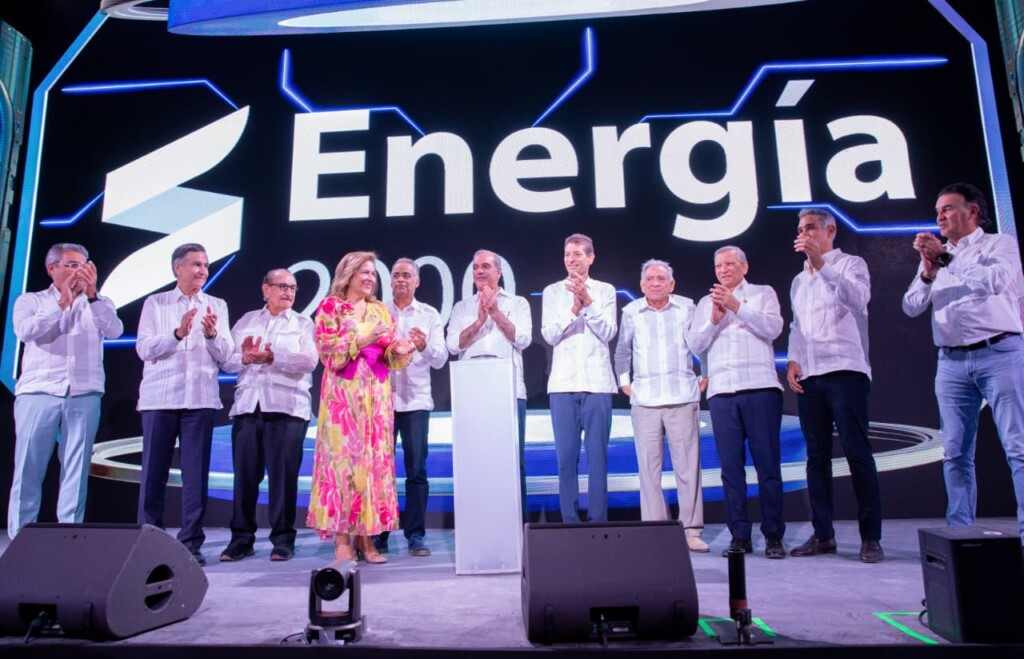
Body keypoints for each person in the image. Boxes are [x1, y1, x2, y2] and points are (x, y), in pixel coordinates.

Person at [902, 182, 1024, 545]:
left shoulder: (998, 245)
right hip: (952, 363)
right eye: (938, 210)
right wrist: (927, 271)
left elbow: (996, 281)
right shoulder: (940, 256)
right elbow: (910, 305)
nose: (940, 215)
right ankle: (961, 539)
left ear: (972, 212)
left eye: (949, 208)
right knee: (954, 453)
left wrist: (946, 259)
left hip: (1000, 353)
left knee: (1018, 447)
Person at [786, 209, 883, 563]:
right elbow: (797, 325)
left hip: (846, 370)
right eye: (800, 229)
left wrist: (821, 265)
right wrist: (794, 359)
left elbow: (858, 300)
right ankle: (823, 535)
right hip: (811, 376)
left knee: (857, 452)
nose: (804, 233)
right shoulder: (799, 281)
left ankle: (870, 537)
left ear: (830, 231)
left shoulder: (850, 264)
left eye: (810, 227)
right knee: (816, 458)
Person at [7, 243, 123, 539]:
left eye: (84, 265)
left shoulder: (99, 303)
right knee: (28, 469)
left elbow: (115, 330)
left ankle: (68, 538)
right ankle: (22, 537)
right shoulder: (31, 301)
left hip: (84, 393)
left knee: (76, 470)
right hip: (38, 392)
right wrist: (62, 303)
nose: (79, 270)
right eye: (71, 265)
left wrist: (93, 296)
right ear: (52, 268)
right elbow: (26, 331)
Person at [306, 251, 414, 564]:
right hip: (343, 400)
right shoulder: (330, 307)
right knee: (343, 466)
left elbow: (392, 357)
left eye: (372, 273)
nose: (369, 278)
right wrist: (361, 340)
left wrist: (403, 349)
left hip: (376, 400)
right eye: (363, 272)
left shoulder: (381, 309)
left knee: (371, 466)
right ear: (348, 274)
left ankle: (367, 540)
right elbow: (327, 354)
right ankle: (342, 541)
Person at [136, 243, 233, 566]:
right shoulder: (157, 303)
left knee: (195, 475)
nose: (202, 270)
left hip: (200, 399)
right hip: (159, 398)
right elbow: (144, 349)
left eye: (205, 265)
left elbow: (227, 356)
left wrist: (211, 335)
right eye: (195, 264)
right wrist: (177, 334)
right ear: (178, 268)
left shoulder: (216, 304)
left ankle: (191, 541)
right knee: (153, 473)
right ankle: (149, 538)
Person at [689, 246, 786, 559]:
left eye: (730, 263)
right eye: (718, 265)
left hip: (760, 389)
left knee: (767, 466)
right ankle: (740, 536)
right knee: (731, 470)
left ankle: (773, 536)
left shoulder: (762, 293)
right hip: (722, 393)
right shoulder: (706, 303)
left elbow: (774, 328)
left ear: (744, 266)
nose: (724, 269)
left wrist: (737, 306)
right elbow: (694, 344)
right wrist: (714, 320)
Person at [219, 269, 318, 562]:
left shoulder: (303, 323)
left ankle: (283, 539)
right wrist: (245, 357)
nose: (288, 292)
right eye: (281, 286)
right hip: (249, 407)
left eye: (292, 287)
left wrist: (274, 357)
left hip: (287, 409)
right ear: (266, 289)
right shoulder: (247, 321)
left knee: (283, 479)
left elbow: (310, 360)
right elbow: (227, 361)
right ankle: (241, 539)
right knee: (245, 479)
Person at [614, 259, 707, 552]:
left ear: (671, 284)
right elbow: (622, 350)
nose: (655, 283)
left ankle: (692, 530)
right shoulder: (631, 311)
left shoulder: (687, 307)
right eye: (650, 279)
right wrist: (624, 383)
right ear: (642, 286)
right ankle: (655, 529)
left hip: (682, 396)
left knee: (688, 467)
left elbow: (702, 343)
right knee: (649, 469)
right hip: (645, 400)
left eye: (661, 278)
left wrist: (706, 376)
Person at [446, 249, 532, 519]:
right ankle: (479, 521)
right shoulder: (462, 308)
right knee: (476, 462)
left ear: (499, 271)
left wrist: (495, 313)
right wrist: (479, 321)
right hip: (472, 393)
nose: (480, 271)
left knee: (512, 462)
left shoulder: (517, 303)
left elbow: (523, 339)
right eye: (475, 267)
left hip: (509, 391)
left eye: (485, 266)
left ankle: (517, 524)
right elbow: (452, 344)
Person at [541, 233, 617, 523]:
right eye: (567, 254)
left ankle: (598, 522)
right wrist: (574, 310)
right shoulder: (552, 292)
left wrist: (588, 303)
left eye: (577, 254)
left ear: (591, 257)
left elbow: (609, 332)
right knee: (565, 461)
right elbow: (549, 334)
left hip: (597, 384)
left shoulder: (606, 291)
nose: (571, 260)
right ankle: (570, 522)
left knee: (597, 460)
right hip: (562, 385)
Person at [382, 257, 448, 556]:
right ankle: (379, 534)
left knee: (416, 470)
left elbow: (441, 358)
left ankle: (415, 534)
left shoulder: (429, 314)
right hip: (381, 402)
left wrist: (422, 346)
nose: (401, 280)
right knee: (380, 472)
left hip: (416, 401)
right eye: (396, 275)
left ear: (417, 281)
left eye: (407, 275)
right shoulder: (378, 313)